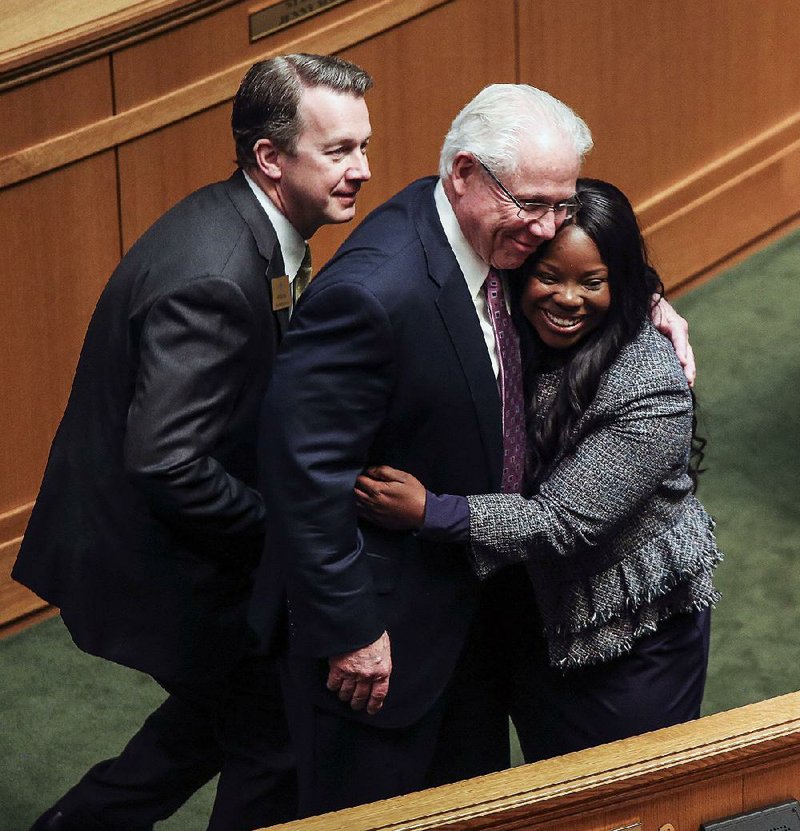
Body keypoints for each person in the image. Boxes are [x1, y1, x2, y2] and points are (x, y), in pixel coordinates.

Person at [251, 85, 695, 816]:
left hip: (489, 621)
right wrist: (352, 631)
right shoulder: (375, 291)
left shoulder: (499, 235)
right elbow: (303, 474)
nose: (549, 228)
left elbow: (593, 264)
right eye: (536, 205)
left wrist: (651, 301)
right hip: (383, 640)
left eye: (564, 202)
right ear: (463, 174)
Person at [13, 53, 373, 831]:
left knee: (217, 721)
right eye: (339, 151)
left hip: (170, 540)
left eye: (363, 147)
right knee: (270, 732)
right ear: (270, 158)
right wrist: (287, 536)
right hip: (154, 558)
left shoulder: (252, 226)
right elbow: (168, 460)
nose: (362, 170)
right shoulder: (213, 274)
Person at [355, 178, 722, 762]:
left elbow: (563, 522)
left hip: (629, 633)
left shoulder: (651, 381)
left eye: (592, 283)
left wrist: (430, 511)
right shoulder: (507, 324)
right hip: (534, 616)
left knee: (628, 796)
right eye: (549, 277)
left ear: (618, 282)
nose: (568, 298)